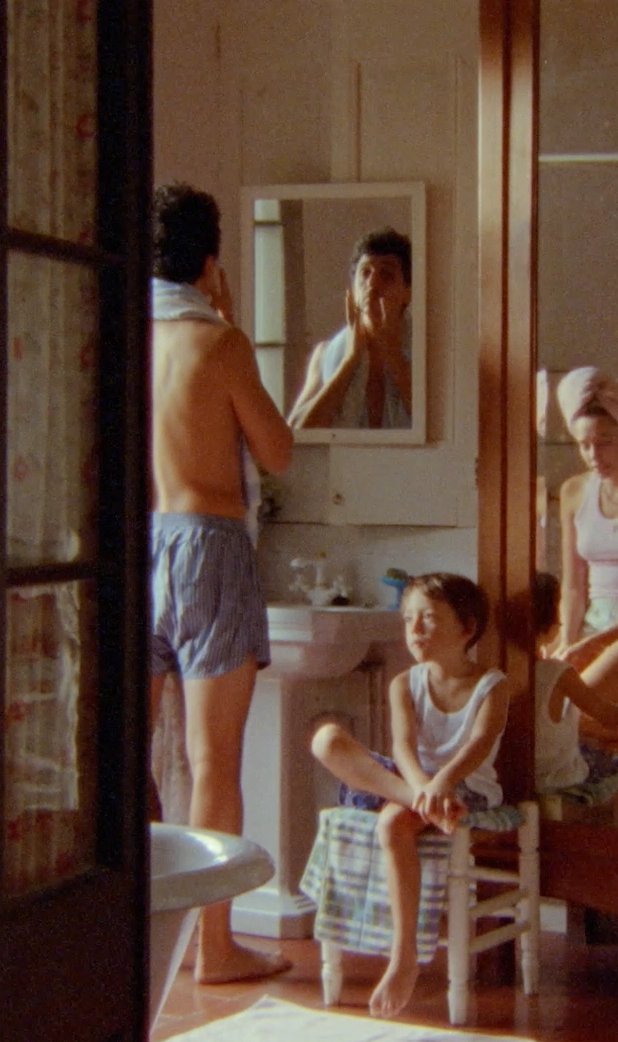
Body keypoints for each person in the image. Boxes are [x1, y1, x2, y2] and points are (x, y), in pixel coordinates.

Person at [149, 181, 295, 983]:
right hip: (207, 546)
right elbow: (276, 452)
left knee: (125, 758)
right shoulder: (219, 343)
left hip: (132, 548)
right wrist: (234, 323)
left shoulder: (121, 329)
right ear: (210, 261)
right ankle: (213, 950)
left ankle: (128, 943)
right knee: (212, 764)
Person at [309, 572, 510, 1018]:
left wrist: (442, 783)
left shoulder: (493, 686)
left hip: (466, 788)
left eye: (429, 619)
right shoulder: (404, 683)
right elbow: (401, 746)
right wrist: (422, 787)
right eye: (408, 620)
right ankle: (420, 802)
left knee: (393, 821)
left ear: (467, 628)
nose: (414, 630)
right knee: (326, 739)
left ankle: (403, 959)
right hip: (413, 782)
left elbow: (477, 746)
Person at [553, 366, 618, 707]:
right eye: (584, 445)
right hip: (592, 621)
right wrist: (567, 638)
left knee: (579, 706)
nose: (594, 456)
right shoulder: (575, 492)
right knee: (547, 703)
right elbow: (573, 586)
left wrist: (597, 642)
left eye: (604, 441)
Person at [286, 227, 413, 429]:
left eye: (386, 274)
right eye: (365, 273)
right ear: (352, 288)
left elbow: (442, 431)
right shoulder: (325, 354)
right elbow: (297, 432)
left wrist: (393, 353)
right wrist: (350, 360)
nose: (372, 283)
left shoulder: (426, 356)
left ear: (407, 292)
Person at [528, 572, 618, 792]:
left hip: (517, 774)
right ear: (553, 628)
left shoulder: (494, 671)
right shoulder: (557, 674)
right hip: (559, 777)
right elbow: (612, 717)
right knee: (616, 755)